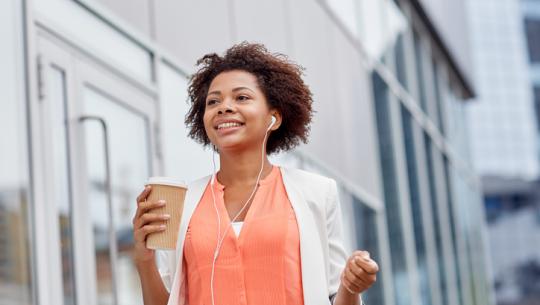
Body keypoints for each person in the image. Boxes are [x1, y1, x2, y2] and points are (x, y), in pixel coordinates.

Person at [132, 42, 379, 305]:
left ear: (274, 117)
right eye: (213, 101)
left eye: (241, 97)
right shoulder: (184, 202)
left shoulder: (317, 193)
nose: (224, 107)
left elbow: (334, 296)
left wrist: (350, 286)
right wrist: (143, 259)